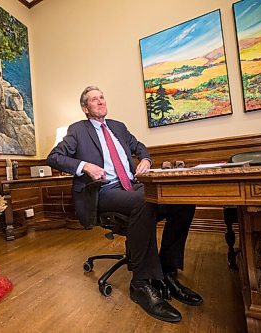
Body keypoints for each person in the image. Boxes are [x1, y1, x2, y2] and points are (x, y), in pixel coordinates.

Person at [46, 85, 202, 323]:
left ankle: (167, 272)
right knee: (145, 202)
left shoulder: (118, 127)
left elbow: (140, 147)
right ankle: (141, 283)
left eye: (102, 97)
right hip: (103, 190)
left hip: (132, 185)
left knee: (182, 199)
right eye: (93, 99)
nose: (100, 101)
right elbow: (54, 157)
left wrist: (146, 160)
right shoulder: (78, 130)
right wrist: (84, 166)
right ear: (85, 108)